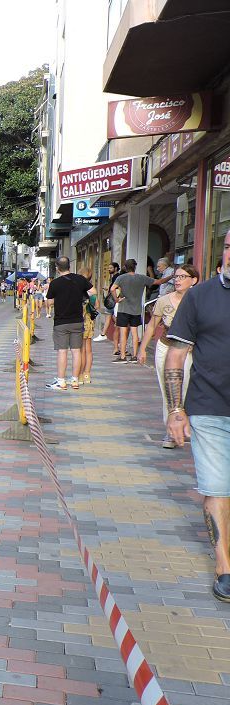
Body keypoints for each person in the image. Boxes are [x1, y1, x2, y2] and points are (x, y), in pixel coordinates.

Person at [164, 230, 230, 603]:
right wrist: (176, 410)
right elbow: (175, 356)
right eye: (227, 246)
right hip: (209, 409)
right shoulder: (200, 297)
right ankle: (224, 567)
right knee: (218, 487)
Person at [139, 264, 198, 448]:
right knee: (168, 390)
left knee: (185, 388)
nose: (178, 280)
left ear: (193, 280)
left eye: (182, 277)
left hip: (188, 351)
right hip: (165, 348)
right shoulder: (164, 300)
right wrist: (142, 348)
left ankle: (185, 425)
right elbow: (151, 326)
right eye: (176, 277)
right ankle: (170, 432)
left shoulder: (199, 301)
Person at [44, 256, 95, 391]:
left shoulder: (55, 283)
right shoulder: (80, 279)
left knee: (62, 351)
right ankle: (75, 381)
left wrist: (59, 299)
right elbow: (93, 292)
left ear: (57, 268)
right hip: (78, 321)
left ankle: (61, 381)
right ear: (69, 267)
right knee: (76, 351)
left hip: (61, 322)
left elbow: (48, 302)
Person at [110, 259, 154, 363]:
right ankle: (134, 356)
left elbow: (112, 289)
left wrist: (116, 299)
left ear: (125, 267)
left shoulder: (121, 278)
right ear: (135, 266)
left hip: (123, 308)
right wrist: (170, 277)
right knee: (134, 332)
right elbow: (156, 281)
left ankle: (123, 356)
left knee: (123, 332)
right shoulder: (141, 278)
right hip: (136, 309)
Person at [76, 265, 97, 385]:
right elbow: (96, 305)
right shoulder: (92, 290)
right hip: (90, 321)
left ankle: (78, 375)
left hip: (80, 321)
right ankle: (87, 374)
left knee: (81, 350)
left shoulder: (79, 290)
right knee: (89, 350)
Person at [93, 261, 122, 347]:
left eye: (111, 268)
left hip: (113, 300)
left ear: (116, 268)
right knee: (110, 317)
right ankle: (103, 334)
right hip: (113, 299)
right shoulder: (115, 277)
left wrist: (116, 296)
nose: (109, 269)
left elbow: (117, 288)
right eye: (108, 268)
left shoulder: (117, 277)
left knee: (110, 316)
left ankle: (103, 334)